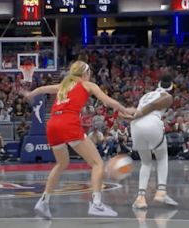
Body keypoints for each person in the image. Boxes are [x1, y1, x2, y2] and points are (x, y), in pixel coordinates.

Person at [20, 61, 134, 219]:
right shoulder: (88, 85)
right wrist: (125, 109)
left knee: (61, 164)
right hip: (68, 124)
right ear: (85, 74)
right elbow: (108, 102)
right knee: (97, 163)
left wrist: (29, 94)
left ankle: (43, 201)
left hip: (52, 124)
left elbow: (40, 90)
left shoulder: (63, 86)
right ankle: (97, 204)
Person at [128, 73, 178, 209]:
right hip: (151, 123)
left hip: (136, 126)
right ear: (171, 86)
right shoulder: (168, 97)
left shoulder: (146, 95)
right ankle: (161, 192)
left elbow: (136, 110)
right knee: (162, 158)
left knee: (146, 162)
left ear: (158, 85)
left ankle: (140, 197)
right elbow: (152, 106)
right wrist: (139, 114)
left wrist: (128, 114)